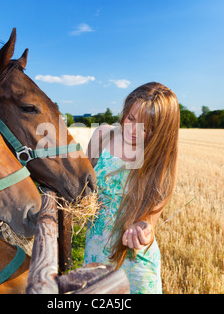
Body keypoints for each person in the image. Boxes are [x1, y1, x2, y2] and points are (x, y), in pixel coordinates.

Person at [83, 82, 180, 294]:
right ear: (125, 111)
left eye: (147, 128)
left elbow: (150, 223)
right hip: (95, 254)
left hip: (136, 267)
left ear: (163, 131)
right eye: (131, 119)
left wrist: (144, 231)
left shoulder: (159, 163)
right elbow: (83, 184)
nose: (133, 131)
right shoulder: (103, 135)